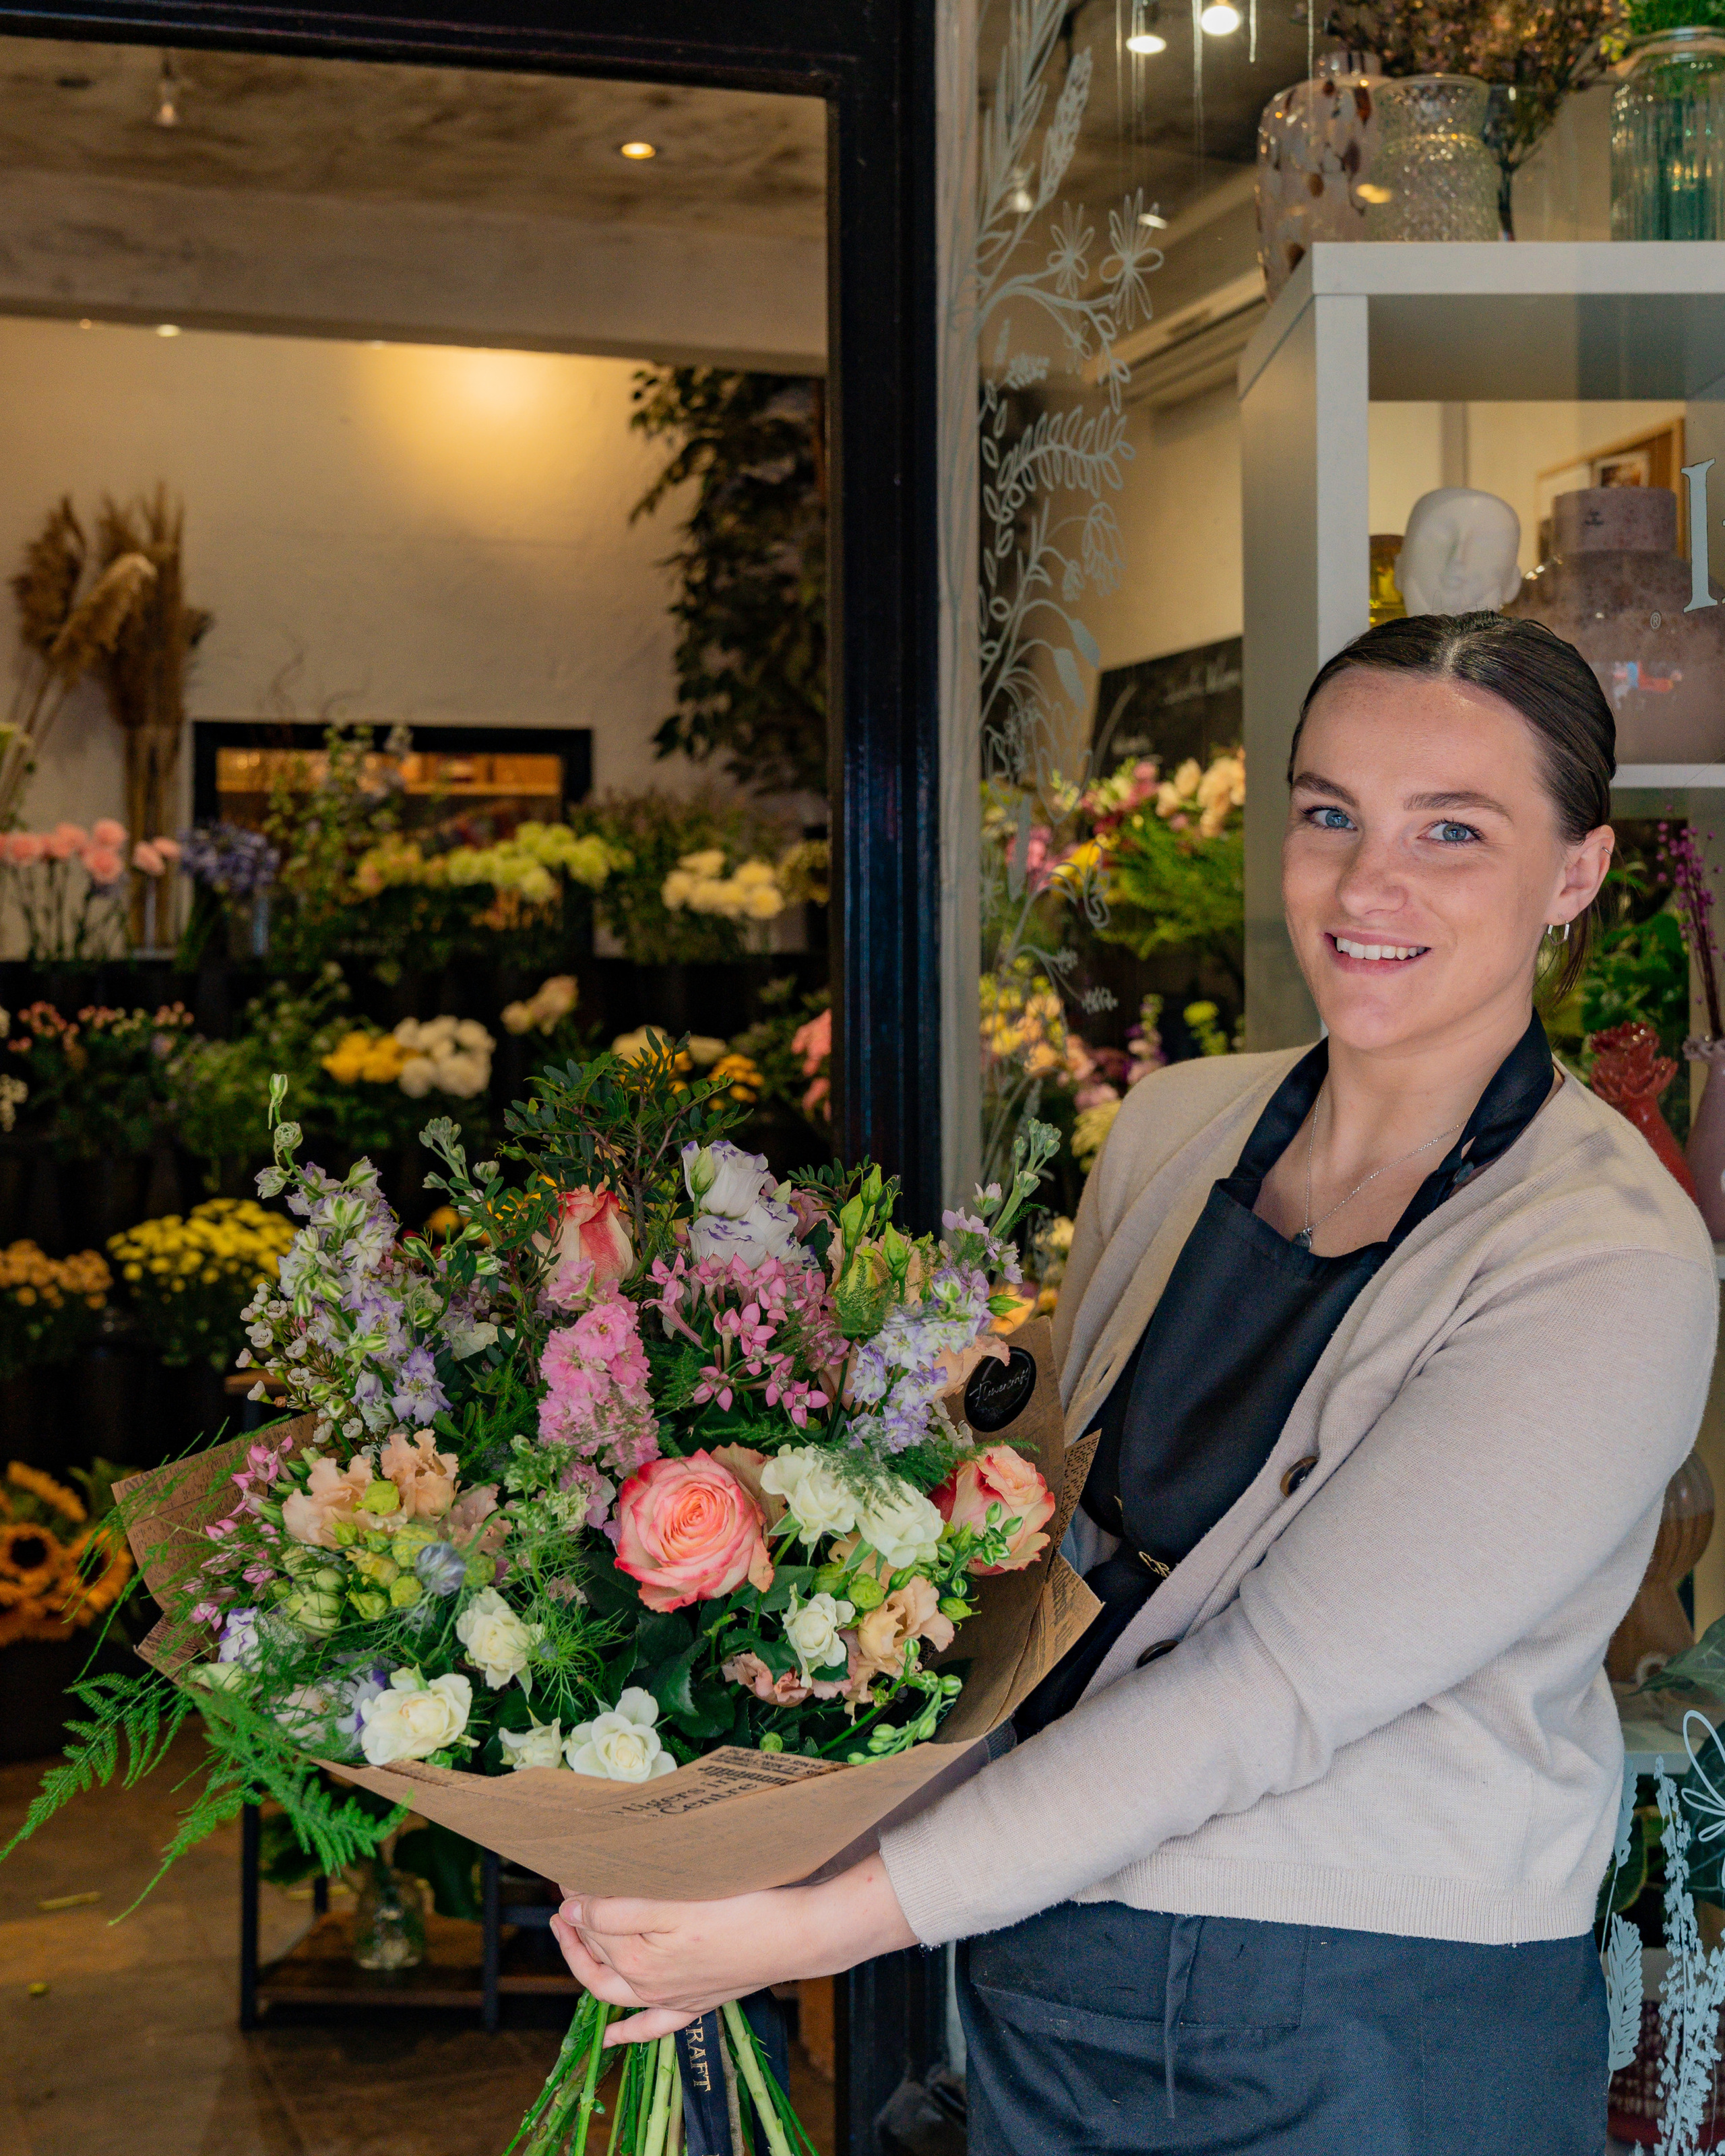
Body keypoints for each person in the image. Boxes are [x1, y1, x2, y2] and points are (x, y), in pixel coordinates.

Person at [551, 612, 1719, 2153]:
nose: (1369, 885)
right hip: (1053, 1962)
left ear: (1572, 872)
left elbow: (1273, 1685)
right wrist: (729, 1802)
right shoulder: (1176, 1129)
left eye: (1452, 829)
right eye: (1327, 815)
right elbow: (1023, 1549)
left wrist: (821, 1924)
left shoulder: (1603, 1254)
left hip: (1375, 2020)